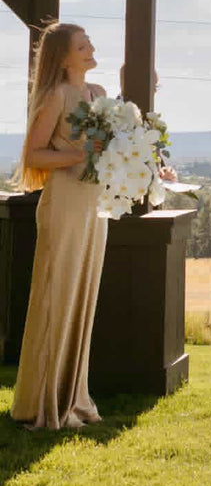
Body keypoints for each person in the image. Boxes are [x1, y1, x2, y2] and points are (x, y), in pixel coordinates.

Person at [11, 22, 109, 430]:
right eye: (82, 46)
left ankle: (74, 397)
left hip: (95, 206)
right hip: (64, 203)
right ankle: (42, 402)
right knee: (57, 296)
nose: (90, 50)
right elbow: (33, 155)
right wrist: (79, 155)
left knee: (81, 297)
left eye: (89, 44)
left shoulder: (100, 95)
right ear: (63, 57)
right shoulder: (56, 95)